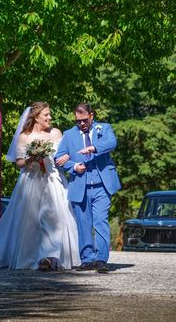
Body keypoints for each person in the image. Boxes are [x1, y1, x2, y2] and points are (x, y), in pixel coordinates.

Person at [0, 102, 80, 271]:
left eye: (49, 114)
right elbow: (19, 163)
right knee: (30, 221)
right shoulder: (24, 137)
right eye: (46, 115)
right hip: (31, 180)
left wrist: (65, 159)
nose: (50, 118)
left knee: (57, 218)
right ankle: (30, 256)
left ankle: (51, 257)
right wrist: (31, 158)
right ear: (36, 117)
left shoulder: (56, 133)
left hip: (54, 179)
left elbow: (63, 155)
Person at [55, 102, 120, 273]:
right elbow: (59, 157)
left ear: (92, 115)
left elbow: (112, 142)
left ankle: (100, 260)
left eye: (84, 120)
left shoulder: (104, 128)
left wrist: (94, 147)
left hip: (102, 185)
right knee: (83, 224)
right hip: (80, 185)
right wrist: (74, 166)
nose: (81, 124)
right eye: (78, 121)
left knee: (100, 221)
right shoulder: (69, 135)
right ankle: (86, 259)